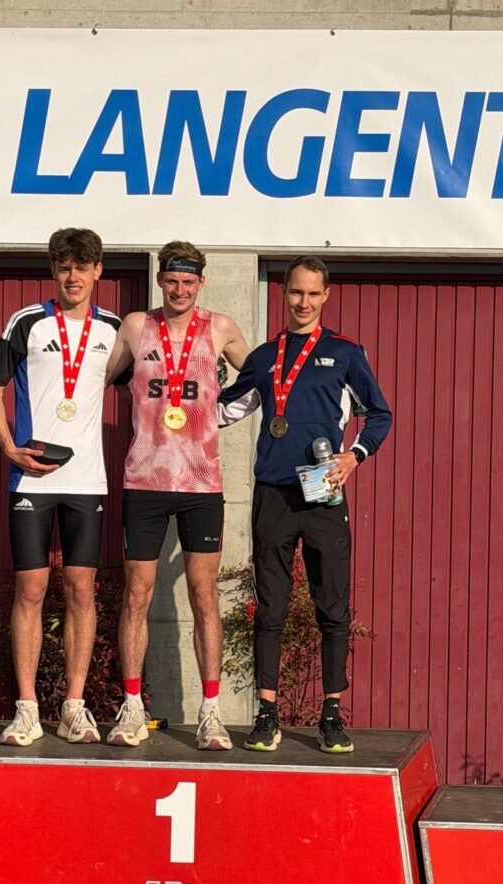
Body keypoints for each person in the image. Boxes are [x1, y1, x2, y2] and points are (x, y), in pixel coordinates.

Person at [218, 255, 392, 753]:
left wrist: (354, 456)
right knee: (268, 608)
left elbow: (380, 415)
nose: (304, 302)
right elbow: (226, 409)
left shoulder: (345, 352)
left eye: (313, 294)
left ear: (326, 296)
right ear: (283, 292)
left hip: (322, 491)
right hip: (273, 493)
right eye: (296, 292)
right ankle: (266, 714)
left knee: (332, 607)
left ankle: (331, 715)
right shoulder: (264, 357)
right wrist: (182, 397)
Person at [103, 241, 251, 750]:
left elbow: (261, 379)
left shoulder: (221, 327)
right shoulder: (135, 326)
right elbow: (100, 380)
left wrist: (220, 415)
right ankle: (131, 707)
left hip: (201, 483)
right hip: (143, 481)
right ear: (160, 281)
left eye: (188, 282)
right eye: (172, 280)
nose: (180, 290)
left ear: (201, 283)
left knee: (204, 595)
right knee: (137, 594)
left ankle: (211, 713)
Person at [0, 227, 120, 746]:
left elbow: (153, 384)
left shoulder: (114, 329)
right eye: (64, 268)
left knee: (82, 588)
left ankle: (74, 708)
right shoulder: (26, 322)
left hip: (87, 480)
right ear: (53, 271)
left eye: (82, 267)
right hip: (31, 479)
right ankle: (26, 710)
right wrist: (7, 448)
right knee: (32, 589)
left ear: (98, 271)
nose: (73, 277)